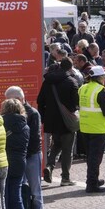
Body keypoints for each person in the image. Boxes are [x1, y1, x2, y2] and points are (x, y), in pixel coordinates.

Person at [5, 86, 44, 209]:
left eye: (10, 100)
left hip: (31, 155)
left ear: (20, 99)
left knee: (35, 190)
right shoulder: (11, 114)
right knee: (20, 190)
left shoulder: (33, 113)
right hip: (20, 157)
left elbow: (34, 139)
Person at [37, 58, 79, 186]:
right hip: (66, 122)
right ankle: (65, 177)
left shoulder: (47, 82)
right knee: (67, 149)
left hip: (52, 121)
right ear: (70, 68)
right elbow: (75, 104)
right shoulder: (72, 82)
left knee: (56, 145)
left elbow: (40, 101)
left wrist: (44, 118)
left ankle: (49, 166)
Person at [79, 66, 105, 193]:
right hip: (97, 128)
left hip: (84, 126)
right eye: (104, 76)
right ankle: (92, 184)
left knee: (90, 157)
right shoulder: (102, 91)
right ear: (99, 77)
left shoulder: (83, 88)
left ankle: (93, 179)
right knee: (95, 158)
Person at [0, 99, 29, 209]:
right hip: (20, 162)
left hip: (5, 161)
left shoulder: (1, 123)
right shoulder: (25, 126)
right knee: (16, 197)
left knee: (4, 197)